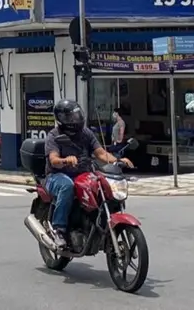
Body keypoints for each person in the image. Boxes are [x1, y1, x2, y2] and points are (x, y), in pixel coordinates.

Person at [45, 99, 134, 248]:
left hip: (83, 173)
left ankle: (96, 222)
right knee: (67, 186)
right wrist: (65, 160)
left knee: (101, 185)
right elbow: (53, 159)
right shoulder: (54, 135)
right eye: (70, 117)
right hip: (56, 175)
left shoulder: (85, 133)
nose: (75, 119)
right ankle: (59, 229)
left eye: (76, 115)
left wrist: (118, 160)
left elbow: (100, 153)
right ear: (61, 119)